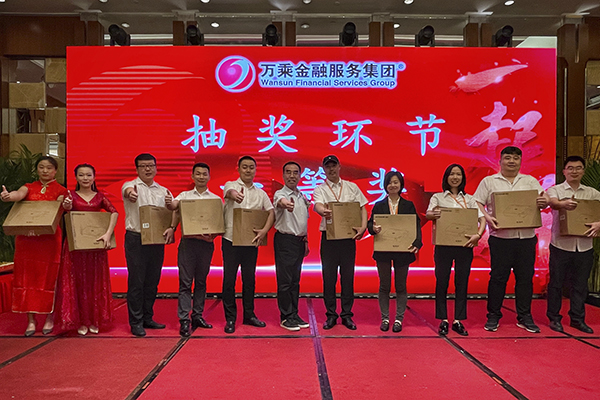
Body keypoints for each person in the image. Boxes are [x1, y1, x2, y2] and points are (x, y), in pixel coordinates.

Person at [474, 146, 549, 333]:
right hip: (501, 238)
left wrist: (544, 201)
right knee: (498, 278)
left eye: (516, 158)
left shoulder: (530, 181)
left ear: (521, 161)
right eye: (507, 158)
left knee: (525, 278)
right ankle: (493, 315)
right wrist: (487, 217)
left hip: (526, 238)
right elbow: (476, 202)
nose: (512, 161)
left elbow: (544, 199)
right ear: (500, 161)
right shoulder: (489, 181)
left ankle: (524, 316)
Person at [1, 156, 68, 336]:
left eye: (49, 168)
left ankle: (49, 317)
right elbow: (18, 195)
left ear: (55, 171)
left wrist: (66, 203)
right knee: (27, 279)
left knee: (49, 278)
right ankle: (31, 320)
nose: (45, 171)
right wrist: (8, 196)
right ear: (37, 169)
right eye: (41, 167)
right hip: (26, 240)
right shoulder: (28, 187)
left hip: (49, 241)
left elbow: (64, 206)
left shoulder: (61, 190)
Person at [55, 164, 118, 335]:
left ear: (94, 177)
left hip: (95, 247)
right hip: (75, 248)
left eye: (88, 175)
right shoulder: (70, 196)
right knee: (77, 283)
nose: (85, 178)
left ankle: (93, 319)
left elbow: (114, 212)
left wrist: (108, 234)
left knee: (94, 283)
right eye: (81, 175)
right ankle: (81, 321)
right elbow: (64, 211)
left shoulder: (100, 196)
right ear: (76, 177)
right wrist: (66, 206)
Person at [426, 164, 486, 336]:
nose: (455, 177)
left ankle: (458, 320)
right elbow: (428, 214)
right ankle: (443, 319)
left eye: (458, 174)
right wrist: (433, 214)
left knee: (462, 282)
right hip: (443, 246)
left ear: (462, 178)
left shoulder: (470, 199)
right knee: (442, 281)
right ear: (446, 177)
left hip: (465, 246)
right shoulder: (438, 197)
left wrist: (478, 235)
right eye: (452, 174)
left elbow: (482, 219)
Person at [165, 162, 220, 337]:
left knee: (201, 281)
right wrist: (169, 203)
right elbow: (173, 207)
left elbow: (219, 222)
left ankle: (197, 315)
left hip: (206, 245)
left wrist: (213, 236)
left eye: (204, 174)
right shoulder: (184, 196)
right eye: (198, 174)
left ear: (209, 176)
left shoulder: (216, 199)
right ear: (192, 176)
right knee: (185, 282)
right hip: (188, 244)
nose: (201, 177)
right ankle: (184, 319)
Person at [546, 155, 600, 334]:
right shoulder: (555, 190)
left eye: (578, 168)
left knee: (580, 285)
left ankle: (577, 318)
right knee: (556, 283)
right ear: (564, 171)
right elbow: (552, 203)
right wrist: (563, 204)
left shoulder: (593, 193)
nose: (574, 171)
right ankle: (554, 318)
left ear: (583, 171)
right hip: (560, 245)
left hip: (585, 246)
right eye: (570, 168)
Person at [313, 155, 368, 330]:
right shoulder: (320, 188)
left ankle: (346, 315)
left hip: (348, 239)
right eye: (327, 166)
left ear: (339, 166)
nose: (331, 169)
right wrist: (323, 211)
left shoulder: (352, 187)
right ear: (324, 169)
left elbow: (362, 207)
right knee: (328, 278)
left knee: (347, 277)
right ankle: (330, 315)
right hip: (329, 238)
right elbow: (317, 205)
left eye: (333, 165)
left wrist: (363, 227)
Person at [121, 153, 173, 337]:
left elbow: (170, 213)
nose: (147, 169)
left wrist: (171, 207)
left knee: (152, 281)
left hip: (156, 240)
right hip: (136, 238)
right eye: (143, 166)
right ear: (137, 169)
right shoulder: (130, 185)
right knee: (137, 281)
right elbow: (128, 192)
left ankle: (147, 317)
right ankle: (135, 322)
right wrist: (131, 194)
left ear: (156, 168)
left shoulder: (163, 191)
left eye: (151, 165)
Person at [222, 156, 275, 334]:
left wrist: (264, 231)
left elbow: (271, 212)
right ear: (238, 169)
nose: (248, 170)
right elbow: (229, 193)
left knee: (249, 280)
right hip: (230, 240)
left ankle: (249, 314)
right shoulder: (231, 185)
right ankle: (230, 318)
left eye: (251, 167)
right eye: (244, 167)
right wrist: (234, 195)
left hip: (251, 242)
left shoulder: (260, 193)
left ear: (255, 170)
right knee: (229, 280)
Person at [368, 171, 422, 333]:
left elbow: (416, 225)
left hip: (403, 251)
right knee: (384, 286)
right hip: (383, 250)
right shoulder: (379, 205)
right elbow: (370, 225)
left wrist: (417, 243)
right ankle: (385, 318)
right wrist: (373, 228)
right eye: (390, 182)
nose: (393, 185)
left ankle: (399, 319)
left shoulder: (408, 205)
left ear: (401, 185)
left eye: (396, 182)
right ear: (385, 185)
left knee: (400, 286)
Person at [273, 161, 311, 331]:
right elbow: (280, 202)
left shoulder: (302, 196)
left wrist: (306, 241)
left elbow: (303, 222)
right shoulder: (280, 193)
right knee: (285, 281)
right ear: (283, 175)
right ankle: (286, 316)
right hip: (285, 241)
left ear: (300, 175)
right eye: (288, 172)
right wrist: (285, 204)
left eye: (295, 172)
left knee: (295, 281)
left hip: (299, 241)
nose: (292, 176)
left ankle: (294, 314)